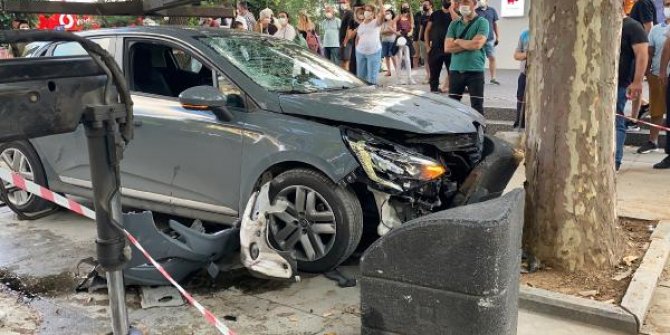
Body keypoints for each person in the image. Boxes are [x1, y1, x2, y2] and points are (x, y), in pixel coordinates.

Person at [616, 5, 648, 171]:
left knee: (616, 120)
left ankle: (615, 160)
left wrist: (637, 82)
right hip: (600, 84)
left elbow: (642, 54)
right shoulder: (610, 26)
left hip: (621, 83)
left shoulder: (633, 27)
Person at [445, 0, 489, 115]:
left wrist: (458, 41)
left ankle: (479, 131)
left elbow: (477, 44)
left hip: (475, 71)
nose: (463, 5)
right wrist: (469, 44)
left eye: (467, 2)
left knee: (477, 106)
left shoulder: (482, 22)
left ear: (474, 5)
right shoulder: (454, 24)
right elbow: (448, 47)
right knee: (453, 105)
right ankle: (454, 131)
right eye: (461, 3)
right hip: (455, 70)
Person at [637, 0, 670, 154]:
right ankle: (652, 140)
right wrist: (647, 73)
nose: (666, 8)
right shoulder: (656, 30)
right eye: (666, 5)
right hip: (657, 76)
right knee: (656, 110)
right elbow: (649, 52)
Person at [628, 0, 657, 130]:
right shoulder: (642, 3)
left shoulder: (643, 3)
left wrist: (644, 52)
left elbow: (649, 28)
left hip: (638, 50)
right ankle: (643, 106)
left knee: (634, 83)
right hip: (636, 50)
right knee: (630, 83)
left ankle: (634, 119)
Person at [425, 0, 458, 93]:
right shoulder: (435, 14)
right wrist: (427, 46)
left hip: (450, 49)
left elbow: (459, 23)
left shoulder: (456, 14)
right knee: (434, 75)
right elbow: (427, 30)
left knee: (453, 74)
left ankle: (453, 96)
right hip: (435, 49)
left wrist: (451, 10)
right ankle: (434, 93)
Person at [355, 0, 384, 85]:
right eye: (366, 10)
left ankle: (372, 96)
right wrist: (357, 49)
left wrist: (380, 2)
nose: (366, 12)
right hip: (360, 53)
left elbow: (382, 14)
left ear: (373, 13)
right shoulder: (361, 25)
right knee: (361, 78)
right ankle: (362, 96)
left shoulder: (376, 22)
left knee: (372, 78)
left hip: (374, 53)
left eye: (369, 10)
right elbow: (357, 38)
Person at [476, 0, 500, 85]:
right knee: (479, 59)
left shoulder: (492, 10)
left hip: (490, 39)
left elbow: (495, 24)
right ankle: (479, 78)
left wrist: (497, 37)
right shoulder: (476, 11)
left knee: (492, 57)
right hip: (479, 39)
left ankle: (493, 78)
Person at [513, 29, 529, 129]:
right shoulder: (525, 34)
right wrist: (527, 55)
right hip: (524, 74)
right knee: (521, 100)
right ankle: (519, 124)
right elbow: (516, 55)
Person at [416, 0, 433, 80]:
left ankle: (434, 76)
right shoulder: (422, 16)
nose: (424, 6)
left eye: (426, 5)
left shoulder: (435, 15)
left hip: (433, 40)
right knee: (426, 59)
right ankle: (428, 75)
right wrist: (419, 39)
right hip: (423, 40)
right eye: (423, 5)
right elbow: (421, 28)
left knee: (433, 59)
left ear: (430, 5)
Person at [397, 2, 415, 67]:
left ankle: (409, 76)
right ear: (401, 8)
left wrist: (410, 32)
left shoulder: (410, 16)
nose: (405, 8)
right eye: (403, 6)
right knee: (400, 56)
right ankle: (398, 73)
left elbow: (412, 27)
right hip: (400, 37)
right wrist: (397, 31)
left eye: (406, 6)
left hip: (407, 37)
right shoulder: (399, 16)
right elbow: (394, 24)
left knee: (407, 56)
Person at [380, 9, 398, 77]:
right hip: (384, 41)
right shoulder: (383, 23)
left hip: (392, 41)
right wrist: (388, 30)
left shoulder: (393, 22)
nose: (387, 15)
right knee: (386, 56)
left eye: (388, 13)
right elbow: (381, 32)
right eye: (386, 13)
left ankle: (397, 70)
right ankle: (389, 71)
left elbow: (393, 31)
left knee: (392, 56)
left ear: (392, 14)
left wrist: (386, 31)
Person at [339, 0, 355, 70]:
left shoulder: (350, 13)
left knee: (346, 62)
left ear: (349, 2)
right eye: (341, 3)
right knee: (343, 62)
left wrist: (345, 41)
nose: (342, 4)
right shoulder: (345, 13)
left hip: (347, 42)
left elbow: (350, 28)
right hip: (343, 40)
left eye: (344, 2)